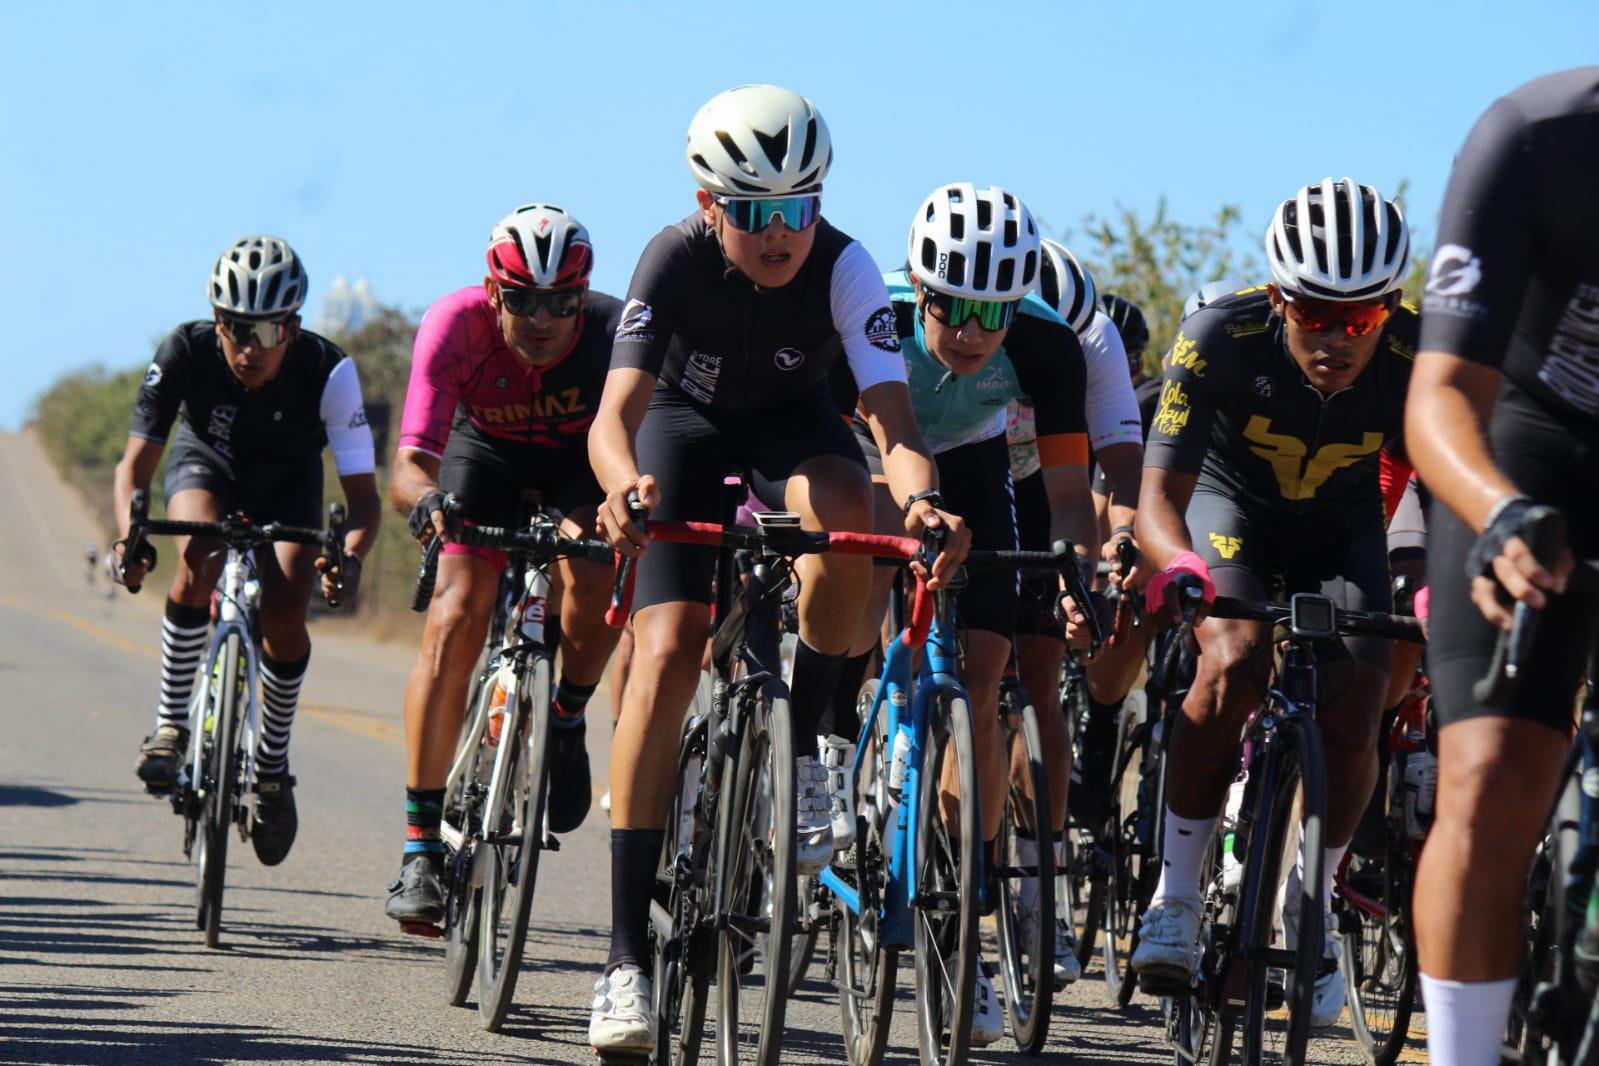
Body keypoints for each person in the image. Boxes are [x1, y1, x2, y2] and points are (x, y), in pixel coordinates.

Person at [585, 84, 968, 1054]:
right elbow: (612, 419)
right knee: (667, 649)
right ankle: (626, 957)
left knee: (854, 507)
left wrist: (918, 499)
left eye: (797, 208)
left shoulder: (845, 268)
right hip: (683, 429)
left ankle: (807, 746)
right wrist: (625, 485)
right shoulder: (671, 258)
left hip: (793, 432)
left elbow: (894, 420)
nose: (777, 233)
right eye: (753, 212)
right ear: (710, 203)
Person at [1130, 178, 1416, 1031]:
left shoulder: (1419, 353)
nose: (1334, 338)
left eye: (1359, 319)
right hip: (1231, 515)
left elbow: (1444, 484)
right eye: (1314, 315)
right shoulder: (1220, 333)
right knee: (1234, 661)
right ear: (1278, 299)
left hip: (1342, 528)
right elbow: (1155, 496)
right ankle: (1176, 896)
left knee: (1361, 701)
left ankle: (1313, 901)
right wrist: (1178, 565)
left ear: (1390, 309)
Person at [828, 184, 1098, 1041]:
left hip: (974, 464)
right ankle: (839, 754)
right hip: (869, 451)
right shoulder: (874, 322)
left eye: (994, 311)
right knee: (863, 572)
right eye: (952, 307)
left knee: (981, 680)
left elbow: (1064, 494)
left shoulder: (1050, 349)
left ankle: (960, 934)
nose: (974, 331)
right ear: (919, 288)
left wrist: (1071, 580)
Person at [1404, 67, 1599, 1066]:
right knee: (1488, 780)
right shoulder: (1536, 136)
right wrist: (1501, 511)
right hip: (1529, 439)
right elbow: (1440, 395)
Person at [383, 204, 624, 928]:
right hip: (480, 458)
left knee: (593, 568)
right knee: (456, 613)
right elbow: (409, 465)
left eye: (562, 302)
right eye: (522, 300)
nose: (543, 319)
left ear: (584, 295)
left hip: (578, 468)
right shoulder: (454, 325)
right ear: (492, 293)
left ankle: (569, 716)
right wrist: (426, 503)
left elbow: (636, 451)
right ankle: (420, 848)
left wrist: (619, 509)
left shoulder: (614, 335)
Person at [112, 235, 380, 866]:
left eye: (265, 329)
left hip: (289, 486)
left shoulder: (329, 370)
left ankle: (271, 767)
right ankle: (172, 725)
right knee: (199, 556)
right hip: (206, 466)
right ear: (216, 320)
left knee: (288, 608)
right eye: (234, 327)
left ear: (292, 326)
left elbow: (363, 501)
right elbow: (135, 467)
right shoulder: (183, 350)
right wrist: (129, 534)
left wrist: (351, 559)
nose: (248, 346)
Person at [1001, 242, 1144, 984]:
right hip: (959, 471)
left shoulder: (1093, 338)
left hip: (1048, 487)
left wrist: (1116, 543)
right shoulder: (976, 320)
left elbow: (1122, 463)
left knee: (1039, 678)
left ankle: (1040, 901)